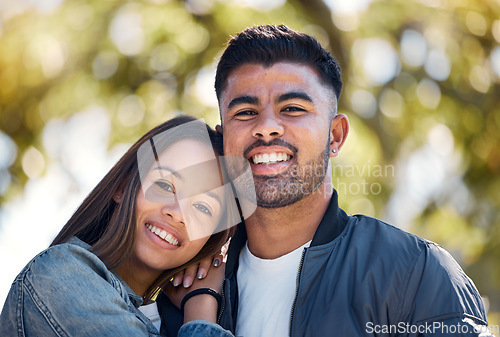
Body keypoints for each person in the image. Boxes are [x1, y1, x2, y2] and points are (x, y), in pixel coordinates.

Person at [211, 25, 493, 336]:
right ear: (223, 140)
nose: (266, 128)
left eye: (292, 108)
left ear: (335, 136)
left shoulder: (414, 273)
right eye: (246, 112)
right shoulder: (194, 287)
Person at [0, 116, 235, 337]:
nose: (177, 213)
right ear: (122, 186)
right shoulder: (59, 275)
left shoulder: (170, 319)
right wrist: (201, 305)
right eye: (165, 185)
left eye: (204, 208)